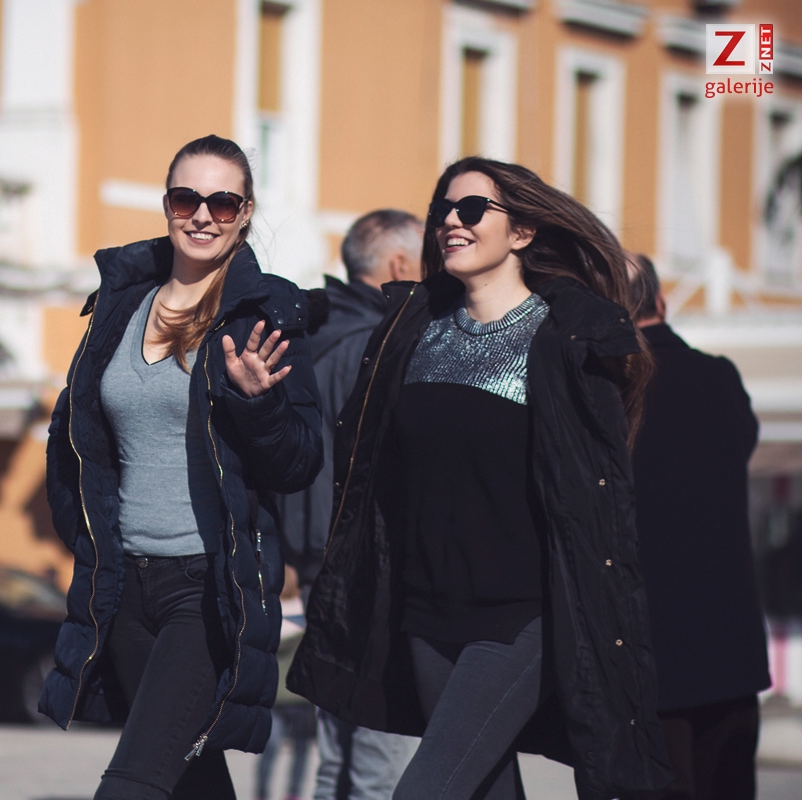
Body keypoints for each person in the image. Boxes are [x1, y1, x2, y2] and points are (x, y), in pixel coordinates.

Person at [288, 156, 674, 800]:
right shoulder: (412, 331)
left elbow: (598, 499)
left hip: (521, 618)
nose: (451, 222)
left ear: (521, 232)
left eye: (471, 209)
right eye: (441, 210)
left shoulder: (563, 339)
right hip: (427, 614)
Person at [40, 134, 325, 800]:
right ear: (166, 205)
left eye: (222, 203)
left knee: (131, 784)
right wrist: (84, 535)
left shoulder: (264, 313)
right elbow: (76, 439)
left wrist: (259, 405)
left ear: (244, 213)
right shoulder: (118, 305)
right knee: (193, 783)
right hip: (124, 586)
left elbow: (299, 463)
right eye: (185, 198)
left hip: (205, 590)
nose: (202, 215)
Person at [278, 209, 423, 800]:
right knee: (380, 750)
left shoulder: (310, 335)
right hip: (369, 563)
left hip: (316, 555)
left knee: (337, 744)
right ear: (399, 264)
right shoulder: (378, 342)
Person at [620, 254, 770, 800]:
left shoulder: (613, 389)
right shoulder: (720, 377)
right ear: (661, 302)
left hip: (653, 650)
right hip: (731, 641)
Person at [255, 566, 317, 800]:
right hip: (300, 696)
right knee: (301, 750)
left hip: (273, 696)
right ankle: (294, 794)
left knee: (268, 750)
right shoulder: (307, 615)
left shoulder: (264, 616)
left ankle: (262, 793)